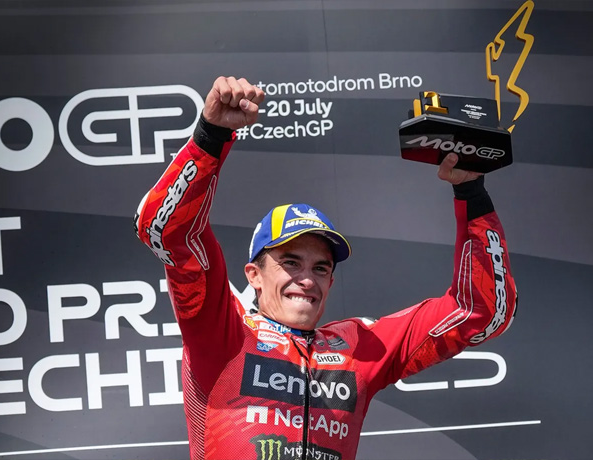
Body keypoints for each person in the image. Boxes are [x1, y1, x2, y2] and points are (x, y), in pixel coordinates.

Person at [134, 76, 517, 460]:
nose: (306, 279)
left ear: (331, 282)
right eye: (290, 262)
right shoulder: (222, 332)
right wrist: (211, 136)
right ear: (254, 275)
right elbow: (164, 229)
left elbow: (480, 311)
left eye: (320, 268)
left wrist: (471, 191)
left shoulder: (359, 348)